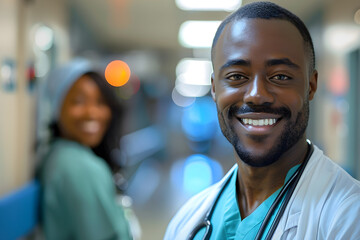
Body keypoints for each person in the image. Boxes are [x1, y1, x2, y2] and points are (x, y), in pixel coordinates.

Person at [164, 2, 360, 240]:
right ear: (214, 88)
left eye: (280, 76)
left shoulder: (349, 216)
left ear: (311, 85)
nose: (256, 94)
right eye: (237, 76)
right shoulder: (187, 221)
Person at [36, 59, 132, 240]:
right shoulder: (80, 167)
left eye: (100, 102)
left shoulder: (57, 154)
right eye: (78, 101)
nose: (92, 113)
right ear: (56, 107)